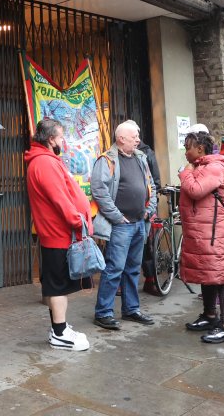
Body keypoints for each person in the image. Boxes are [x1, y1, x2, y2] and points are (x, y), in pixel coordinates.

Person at [24, 119, 92, 352]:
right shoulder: (44, 163)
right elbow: (59, 198)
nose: (63, 141)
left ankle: (59, 326)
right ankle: (60, 333)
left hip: (58, 233)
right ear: (51, 139)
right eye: (61, 137)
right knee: (58, 286)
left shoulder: (44, 160)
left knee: (58, 284)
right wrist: (77, 221)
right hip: (58, 233)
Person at [91, 120, 157, 330]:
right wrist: (117, 217)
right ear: (121, 139)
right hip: (121, 225)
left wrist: (150, 210)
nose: (138, 139)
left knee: (132, 269)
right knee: (114, 269)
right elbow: (99, 191)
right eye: (134, 136)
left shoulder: (141, 158)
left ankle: (131, 309)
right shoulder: (107, 159)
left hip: (139, 223)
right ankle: (103, 313)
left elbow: (151, 185)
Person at [177, 132, 224, 343]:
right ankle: (210, 315)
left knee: (223, 276)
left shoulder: (214, 167)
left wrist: (185, 173)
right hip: (203, 232)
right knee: (207, 272)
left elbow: (195, 190)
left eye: (188, 148)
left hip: (214, 233)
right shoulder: (202, 167)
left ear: (200, 149)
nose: (186, 152)